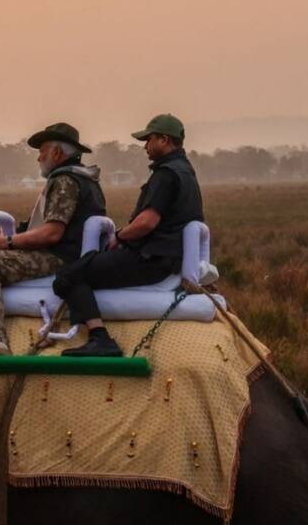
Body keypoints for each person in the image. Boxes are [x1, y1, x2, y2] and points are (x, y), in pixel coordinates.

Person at [53, 113, 205, 357]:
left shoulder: (166, 174)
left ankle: (99, 337)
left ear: (164, 140)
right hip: (167, 258)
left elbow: (148, 221)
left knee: (69, 275)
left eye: (149, 140)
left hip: (150, 258)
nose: (145, 146)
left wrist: (120, 237)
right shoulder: (186, 171)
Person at [0, 122, 106, 357]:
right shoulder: (86, 179)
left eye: (42, 151)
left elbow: (52, 233)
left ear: (57, 153)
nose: (39, 158)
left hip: (60, 257)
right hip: (73, 254)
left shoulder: (65, 181)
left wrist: (3, 242)